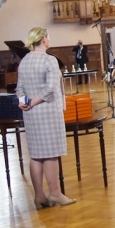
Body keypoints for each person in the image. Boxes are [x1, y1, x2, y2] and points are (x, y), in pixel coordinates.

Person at [16, 27, 75, 209]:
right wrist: (33, 102)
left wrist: (23, 102)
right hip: (47, 111)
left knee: (36, 156)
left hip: (31, 115)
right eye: (48, 37)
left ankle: (39, 197)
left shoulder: (24, 60)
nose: (49, 39)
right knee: (50, 155)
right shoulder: (49, 60)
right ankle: (55, 194)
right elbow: (50, 89)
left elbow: (19, 89)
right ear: (43, 39)